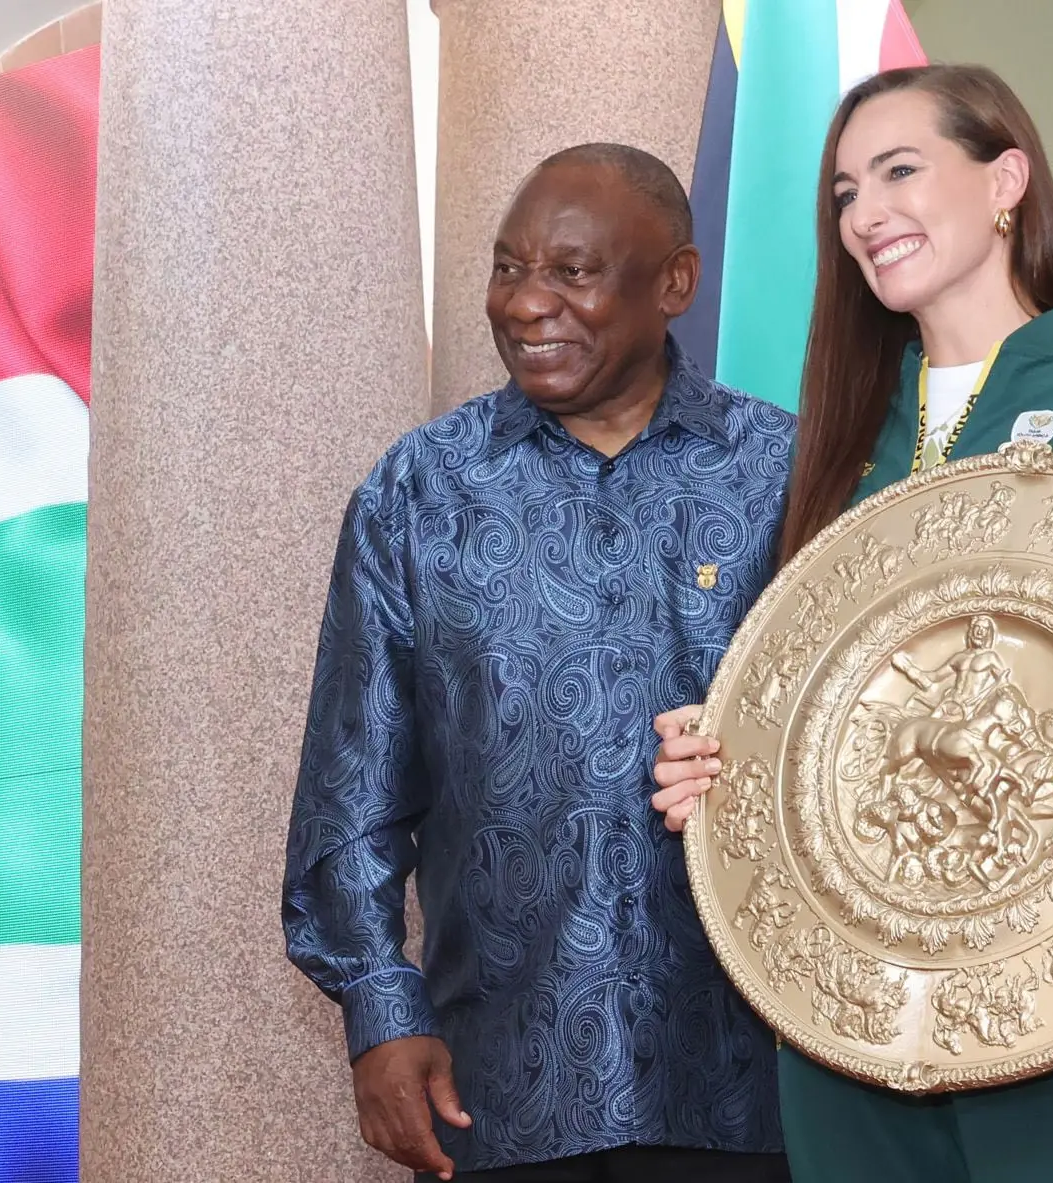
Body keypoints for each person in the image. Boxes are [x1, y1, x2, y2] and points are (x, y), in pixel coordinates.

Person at [650, 65, 1053, 1183]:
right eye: (841, 194)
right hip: (847, 1008)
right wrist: (720, 759)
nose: (864, 213)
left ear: (1005, 181)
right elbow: (816, 706)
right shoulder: (832, 439)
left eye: (897, 171)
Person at [282, 143, 796, 1183]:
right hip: (505, 1092)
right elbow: (353, 782)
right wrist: (380, 1009)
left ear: (675, 284)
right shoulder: (418, 492)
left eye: (571, 271)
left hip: (753, 1088)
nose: (524, 304)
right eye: (508, 268)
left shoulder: (788, 473)